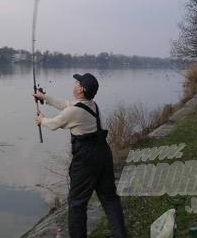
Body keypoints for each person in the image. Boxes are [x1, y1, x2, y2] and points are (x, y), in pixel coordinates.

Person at [34, 73, 128, 238]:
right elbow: (65, 105)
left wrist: (42, 120)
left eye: (77, 82)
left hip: (86, 159)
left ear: (81, 89)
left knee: (77, 204)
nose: (75, 84)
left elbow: (54, 124)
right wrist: (44, 97)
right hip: (103, 154)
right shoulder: (92, 105)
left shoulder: (74, 111)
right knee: (110, 198)